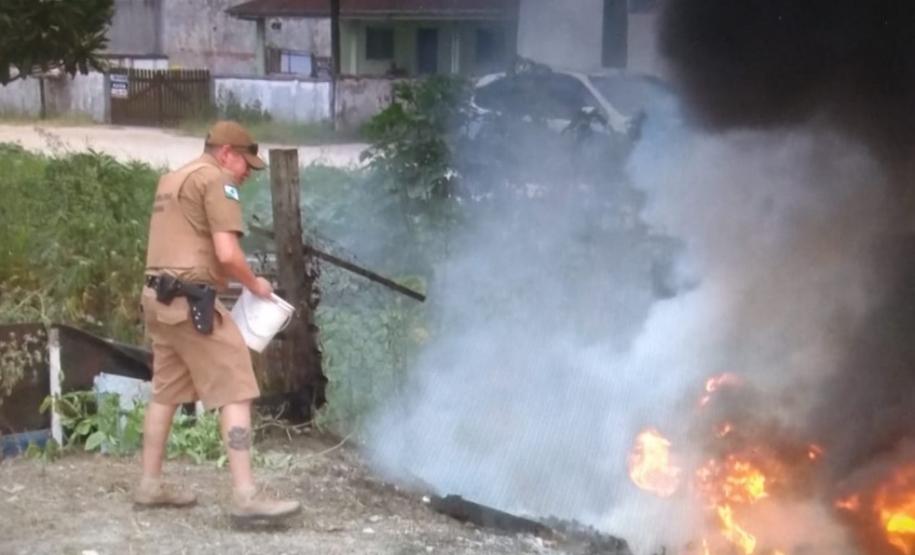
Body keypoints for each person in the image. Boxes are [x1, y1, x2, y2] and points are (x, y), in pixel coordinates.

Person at [134, 121, 300, 524]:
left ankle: (149, 485)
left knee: (166, 392)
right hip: (192, 303)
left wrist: (221, 276)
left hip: (158, 297)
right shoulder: (216, 181)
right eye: (246, 163)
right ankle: (246, 496)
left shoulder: (171, 180)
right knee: (237, 388)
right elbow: (227, 253)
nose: (247, 173)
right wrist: (254, 284)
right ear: (226, 152)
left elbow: (185, 243)